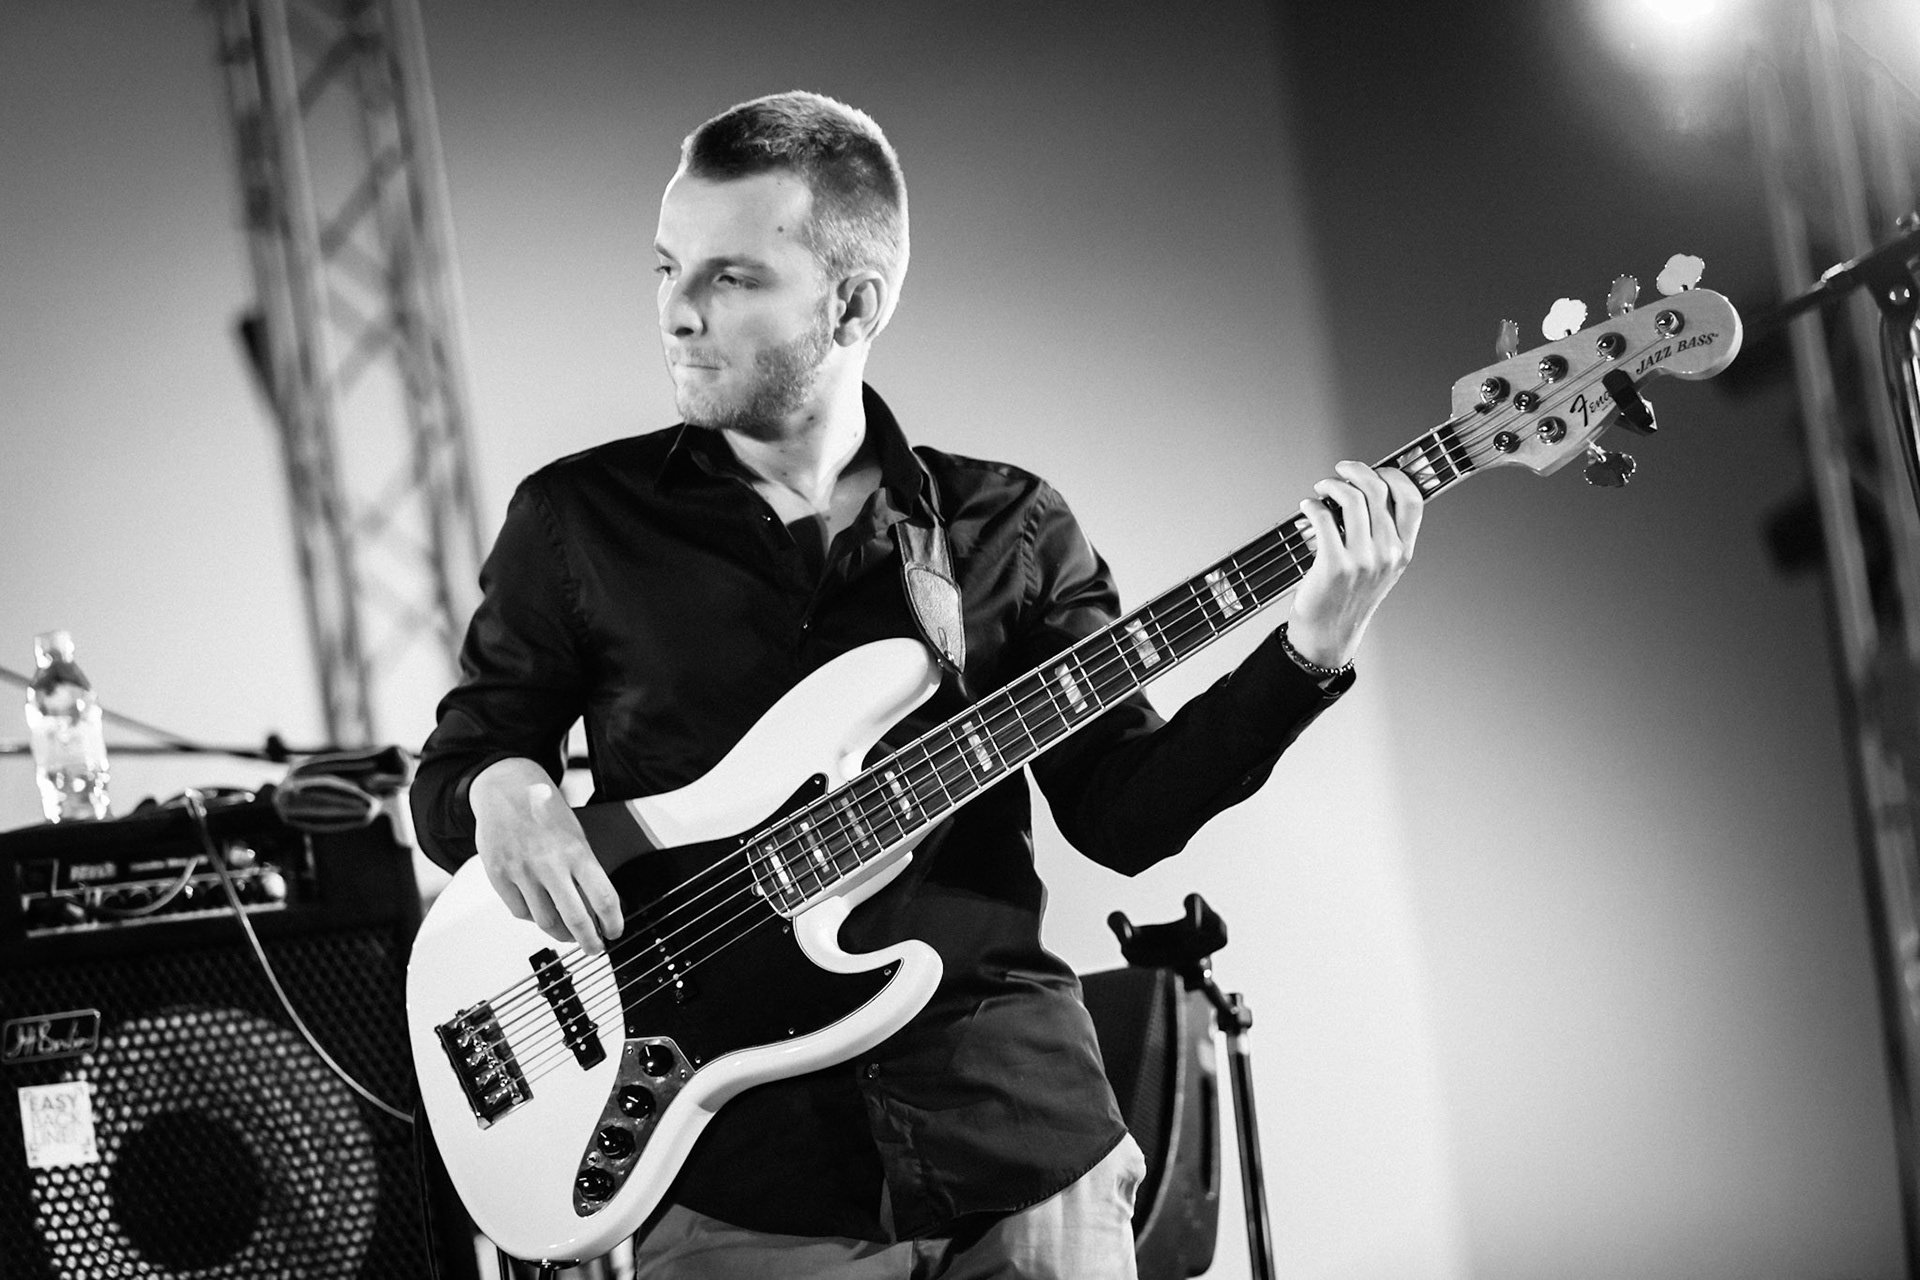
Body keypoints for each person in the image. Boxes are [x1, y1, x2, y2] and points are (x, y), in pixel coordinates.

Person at [411, 90, 1422, 1279]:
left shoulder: (1006, 525)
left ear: (854, 304)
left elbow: (1123, 816)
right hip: (747, 1178)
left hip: (1017, 1140)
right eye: (667, 267)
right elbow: (454, 779)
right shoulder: (578, 520)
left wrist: (1306, 652)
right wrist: (503, 788)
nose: (677, 313)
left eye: (731, 279)